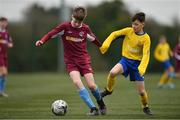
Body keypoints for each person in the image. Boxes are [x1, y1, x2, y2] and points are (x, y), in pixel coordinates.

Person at [35, 6, 106, 116]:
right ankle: (93, 108)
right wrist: (42, 41)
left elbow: (94, 39)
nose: (76, 24)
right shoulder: (65, 26)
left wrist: (102, 47)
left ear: (83, 20)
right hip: (71, 62)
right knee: (77, 82)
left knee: (92, 86)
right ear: (72, 16)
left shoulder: (85, 29)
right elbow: (50, 34)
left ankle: (101, 103)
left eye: (79, 22)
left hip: (84, 60)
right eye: (75, 21)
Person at [99, 12, 152, 115]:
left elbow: (146, 54)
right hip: (125, 61)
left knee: (141, 92)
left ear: (143, 24)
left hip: (137, 65)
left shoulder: (146, 38)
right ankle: (109, 90)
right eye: (133, 24)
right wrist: (106, 44)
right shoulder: (128, 31)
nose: (133, 26)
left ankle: (145, 106)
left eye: (136, 24)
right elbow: (114, 34)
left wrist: (142, 67)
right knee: (113, 72)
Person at [0, 17, 13, 97]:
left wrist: (8, 44)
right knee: (3, 72)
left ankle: (1, 91)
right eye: (2, 22)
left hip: (5, 55)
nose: (4, 24)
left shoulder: (7, 33)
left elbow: (11, 43)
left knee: (4, 74)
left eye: (5, 22)